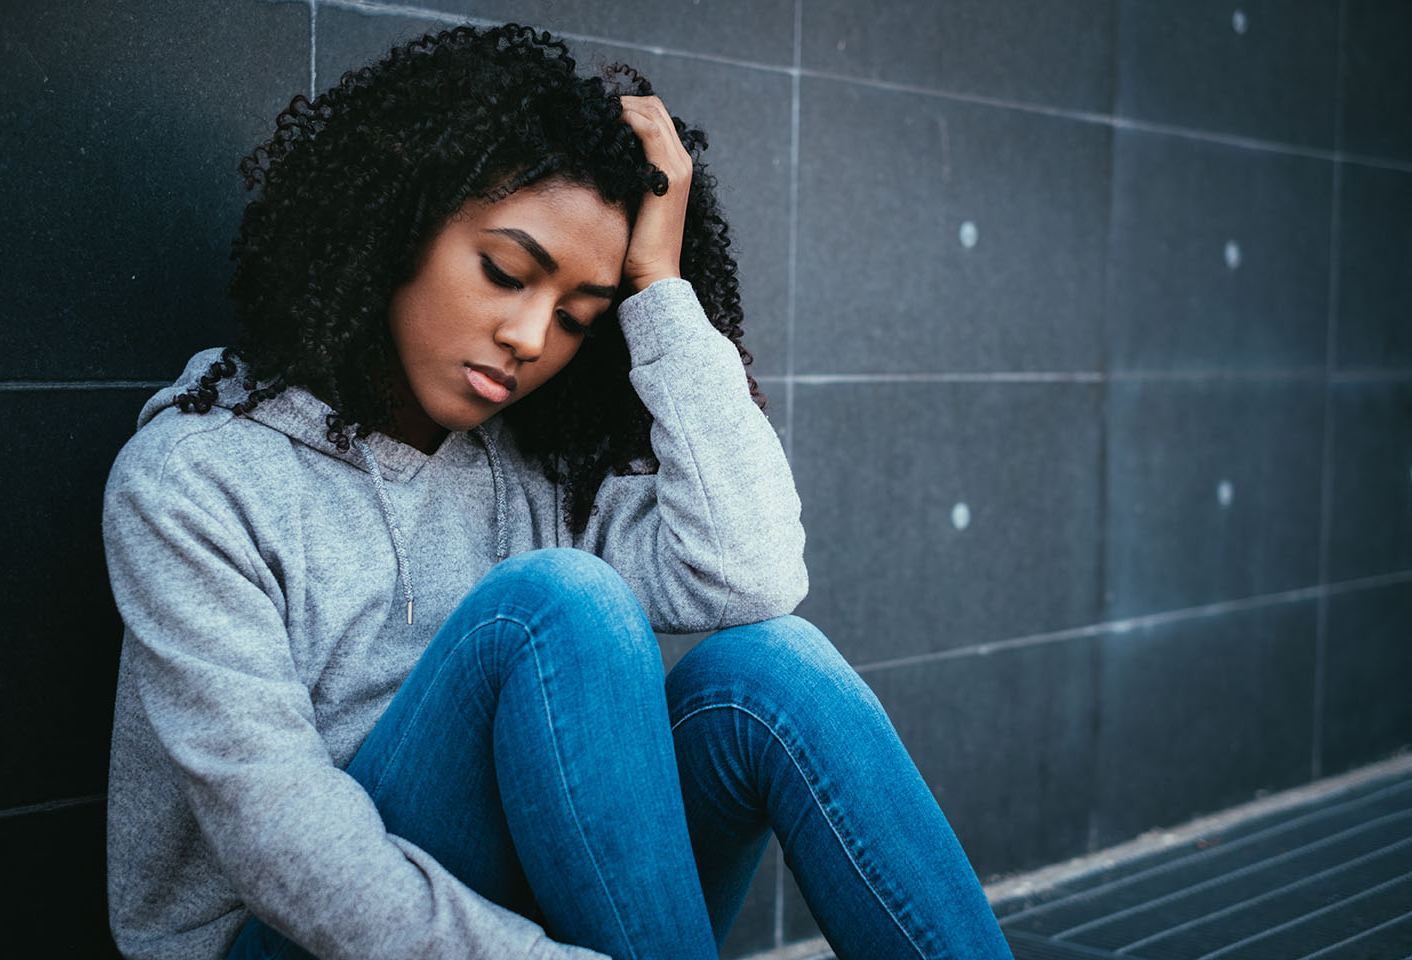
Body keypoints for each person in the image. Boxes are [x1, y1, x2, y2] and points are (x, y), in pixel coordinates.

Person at [102, 23, 1013, 960]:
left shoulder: (530, 467)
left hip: (516, 916)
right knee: (555, 603)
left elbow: (752, 574)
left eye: (579, 317)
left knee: (772, 670)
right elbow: (279, 839)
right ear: (397, 229)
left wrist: (659, 290)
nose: (531, 336)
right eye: (505, 273)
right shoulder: (197, 478)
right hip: (284, 934)